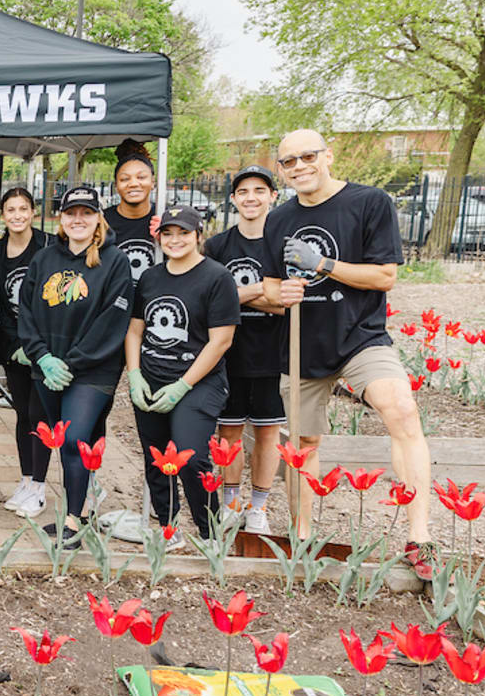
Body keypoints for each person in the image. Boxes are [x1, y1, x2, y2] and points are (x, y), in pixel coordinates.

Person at [261, 130, 432, 565]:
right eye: (288, 161)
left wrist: (322, 264)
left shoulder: (369, 203)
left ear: (328, 156)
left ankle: (420, 537)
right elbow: (270, 286)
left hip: (360, 334)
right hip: (303, 341)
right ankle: (301, 539)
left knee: (401, 411)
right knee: (304, 443)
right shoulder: (279, 220)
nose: (298, 166)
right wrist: (279, 296)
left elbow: (384, 277)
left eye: (307, 156)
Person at [16, 185, 138, 544]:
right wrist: (42, 356)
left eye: (86, 213)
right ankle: (81, 510)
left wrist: (70, 362)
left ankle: (71, 524)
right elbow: (27, 311)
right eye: (71, 213)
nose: (78, 219)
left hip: (92, 371)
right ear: (61, 218)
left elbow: (112, 321)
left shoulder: (115, 261)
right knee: (71, 442)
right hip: (48, 368)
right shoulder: (43, 259)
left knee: (73, 441)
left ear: (98, 218)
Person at [125, 206, 240, 536]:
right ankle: (168, 529)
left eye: (184, 233)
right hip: (151, 377)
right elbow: (135, 331)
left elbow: (221, 341)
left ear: (198, 237)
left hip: (199, 382)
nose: (174, 240)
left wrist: (182, 385)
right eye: (168, 233)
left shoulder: (217, 278)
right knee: (159, 460)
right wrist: (134, 375)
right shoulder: (150, 277)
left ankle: (209, 533)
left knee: (189, 457)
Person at [204, 166, 288, 533]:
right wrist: (262, 291)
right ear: (234, 199)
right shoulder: (218, 246)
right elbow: (210, 300)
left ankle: (258, 507)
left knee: (268, 433)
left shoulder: (283, 243)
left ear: (272, 196)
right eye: (243, 191)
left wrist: (237, 296)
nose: (251, 197)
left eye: (259, 190)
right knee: (230, 434)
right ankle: (231, 503)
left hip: (272, 352)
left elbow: (286, 302)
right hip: (228, 353)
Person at [0, 186, 53, 516]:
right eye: (10, 210)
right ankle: (26, 480)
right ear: (3, 215)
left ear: (32, 211)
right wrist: (16, 345)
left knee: (41, 416)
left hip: (45, 347)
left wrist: (37, 346)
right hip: (13, 346)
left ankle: (40, 486)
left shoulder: (50, 245)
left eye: (23, 208)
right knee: (22, 412)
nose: (17, 215)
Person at [106, 146, 161, 284]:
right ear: (116, 186)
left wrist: (168, 237)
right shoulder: (102, 221)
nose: (133, 184)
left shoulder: (165, 219)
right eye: (125, 179)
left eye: (141, 177)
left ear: (153, 182)